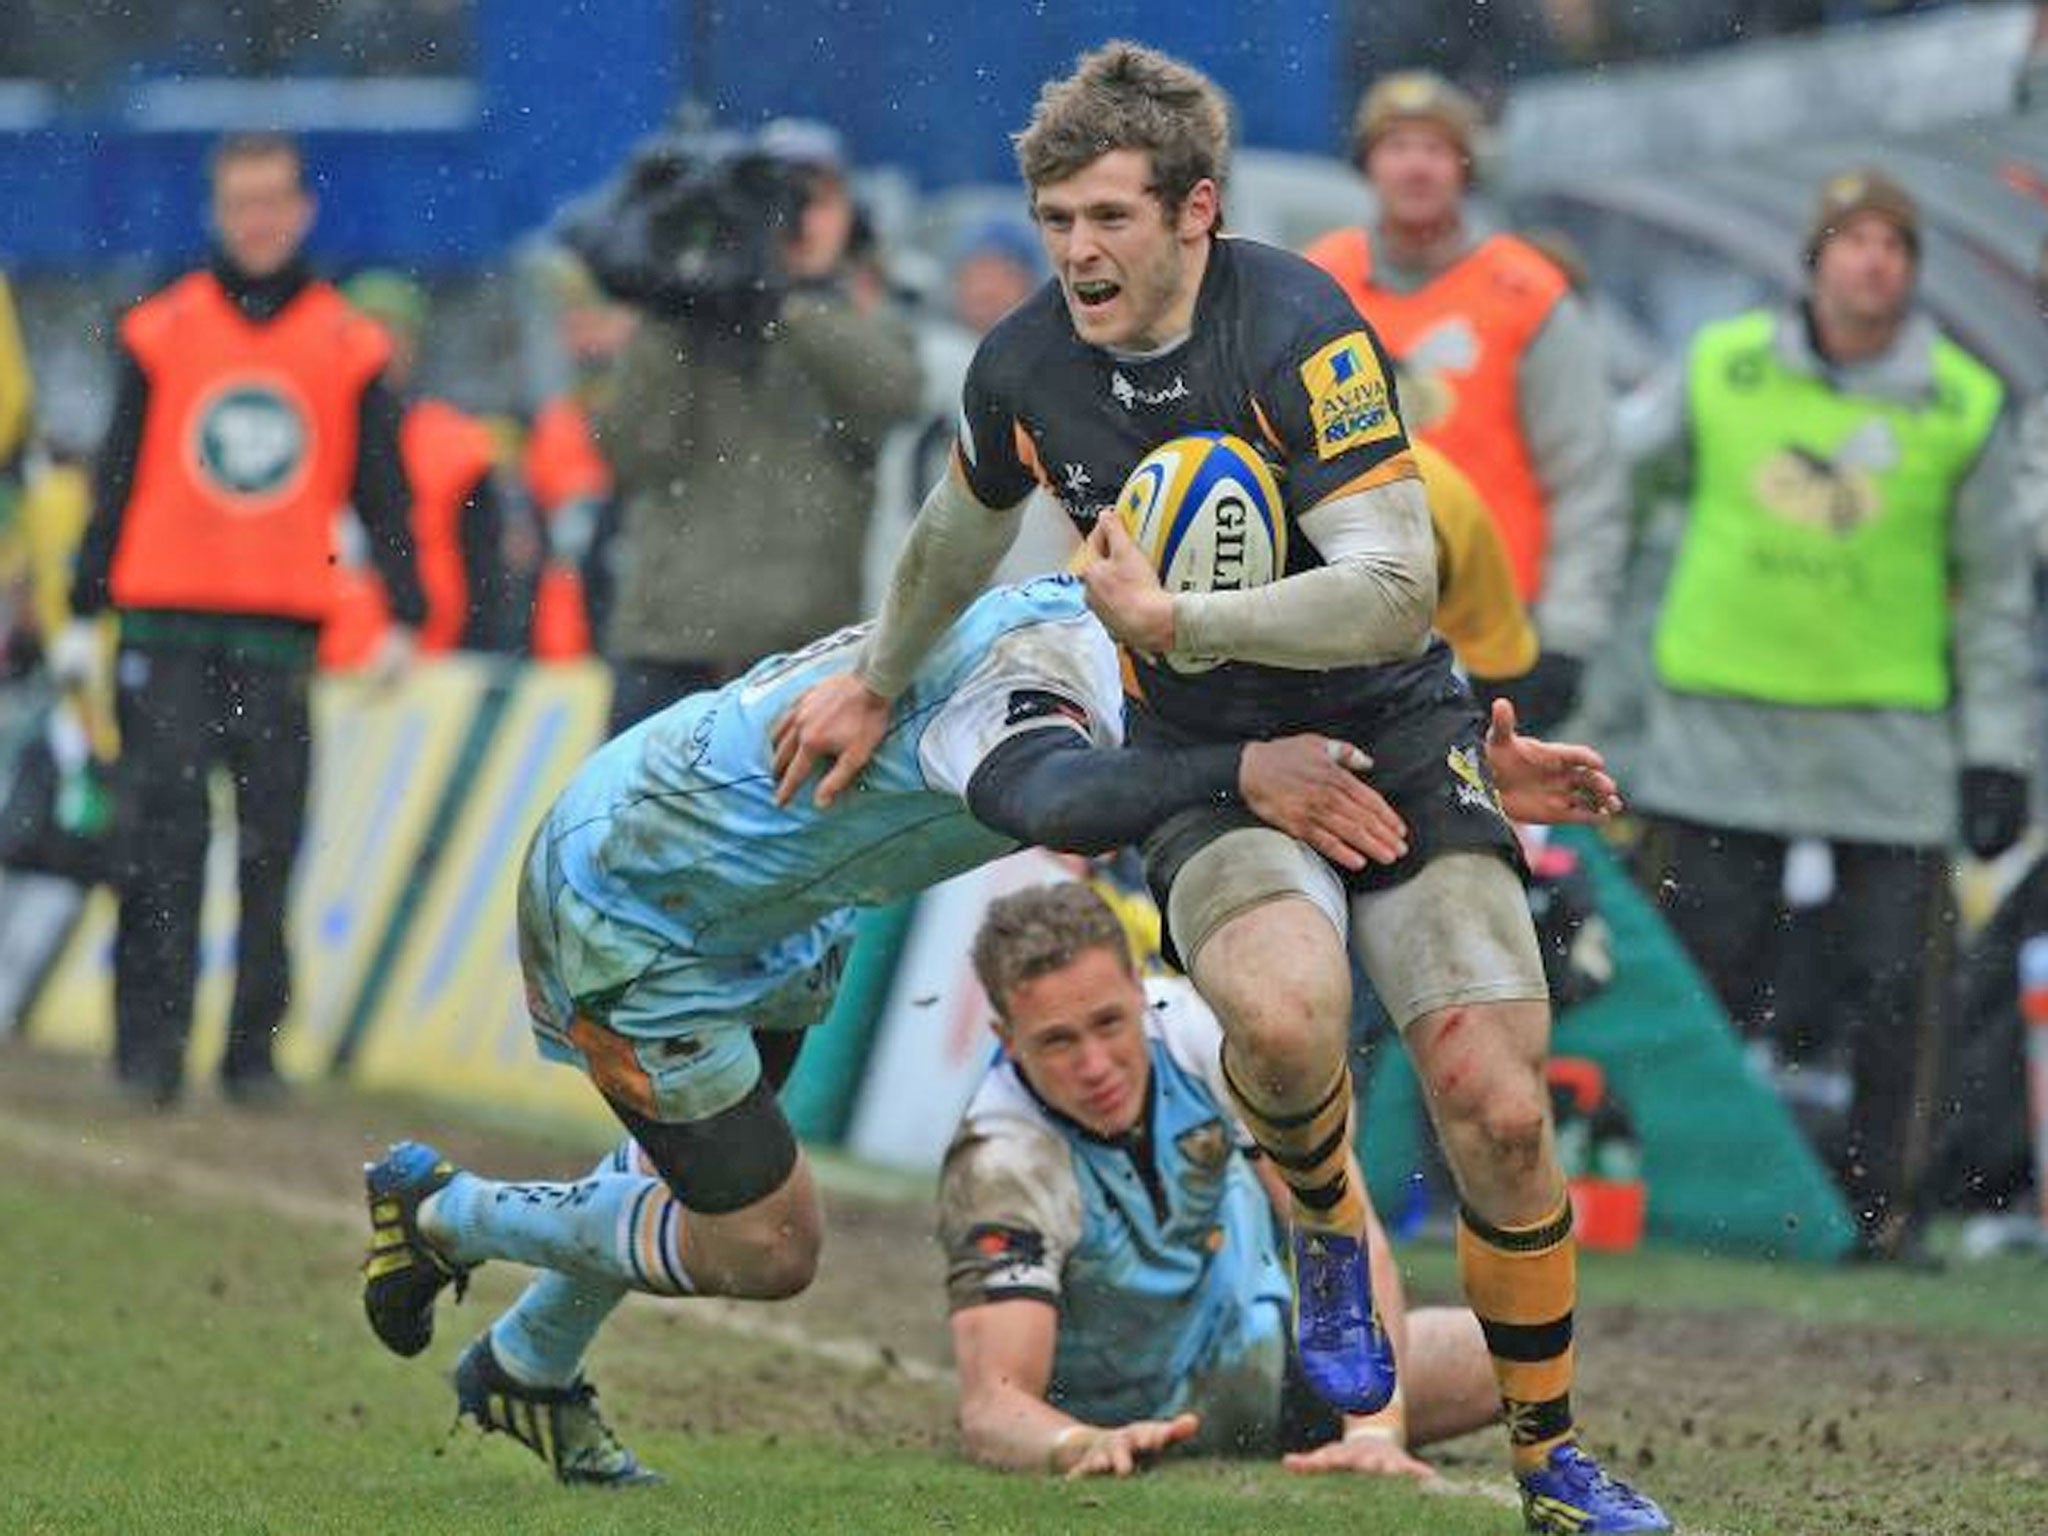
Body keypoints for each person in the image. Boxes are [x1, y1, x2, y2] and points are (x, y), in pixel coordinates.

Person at [771, 43, 1666, 1533]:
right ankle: (1324, 1223)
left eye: (1108, 218)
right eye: (1055, 219)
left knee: (1497, 1112)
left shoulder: (1302, 328)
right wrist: (877, 671)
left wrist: (1186, 626)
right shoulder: (1028, 366)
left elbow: (1392, 591)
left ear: (1196, 213)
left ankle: (1552, 1465)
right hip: (1204, 767)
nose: (1076, 253)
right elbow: (956, 527)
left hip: (1389, 726)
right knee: (1282, 1011)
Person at [357, 572, 1617, 1488]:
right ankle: (440, 1217)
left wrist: (1449, 774)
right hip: (637, 903)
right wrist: (1243, 780)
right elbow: (1066, 795)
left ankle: (525, 1362)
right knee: (766, 1242)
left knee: (678, 1167)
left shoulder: (1123, 628)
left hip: (772, 886)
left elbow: (1243, 728)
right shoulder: (1034, 680)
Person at [1628, 169, 2033, 1265]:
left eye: (1892, 245)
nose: (1871, 263)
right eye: (1849, 240)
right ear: (1810, 260)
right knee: (1691, 973)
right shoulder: (1720, 368)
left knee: (1902, 989)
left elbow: (1997, 595)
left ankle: (1880, 1217)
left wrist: (1997, 753)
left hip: (1885, 739)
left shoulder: (1960, 403)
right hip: (1717, 725)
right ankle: (1671, 1194)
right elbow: (1621, 487)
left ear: (1910, 269)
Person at [53, 132, 422, 1110]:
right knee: (159, 846)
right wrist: (89, 594)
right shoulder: (161, 329)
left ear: (301, 211)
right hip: (165, 627)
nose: (256, 221)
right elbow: (119, 469)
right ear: (218, 213)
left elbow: (384, 489)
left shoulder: (350, 346)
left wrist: (407, 600)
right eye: (237, 203)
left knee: (271, 850)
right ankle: (149, 1051)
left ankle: (251, 1056)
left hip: (278, 636)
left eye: (272, 202)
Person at [944, 881, 1501, 1480]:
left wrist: (1374, 1429)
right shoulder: (1001, 1158)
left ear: (1138, 987)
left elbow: (1342, 1225)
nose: (1095, 1066)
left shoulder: (1207, 1035)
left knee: (1514, 1351)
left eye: (1108, 1022)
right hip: (1126, 1427)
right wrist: (1078, 1445)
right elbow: (993, 1405)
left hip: (1269, 1369)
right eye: (1057, 1041)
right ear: (1007, 1040)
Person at [1303, 71, 1625, 732]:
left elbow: (1587, 479)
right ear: (1369, 164)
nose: (1416, 166)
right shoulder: (1315, 283)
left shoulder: (1528, 296)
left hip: (1494, 629)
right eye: (1397, 146)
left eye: (1435, 148)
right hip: (1340, 618)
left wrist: (1568, 635)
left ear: (1465, 167)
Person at [592, 117, 922, 732]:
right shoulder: (686, 323)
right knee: (637, 829)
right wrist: (673, 309)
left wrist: (781, 303)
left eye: (817, 199)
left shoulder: (867, 317)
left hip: (805, 652)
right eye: (781, 201)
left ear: (853, 214)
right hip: (670, 647)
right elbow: (632, 451)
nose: (799, 220)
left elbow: (891, 395)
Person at [320, 268, 510, 669]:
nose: (381, 346)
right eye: (369, 329)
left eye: (395, 331)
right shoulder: (307, 435)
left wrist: (473, 655)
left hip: (428, 668)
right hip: (320, 665)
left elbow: (483, 569)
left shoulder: (456, 442)